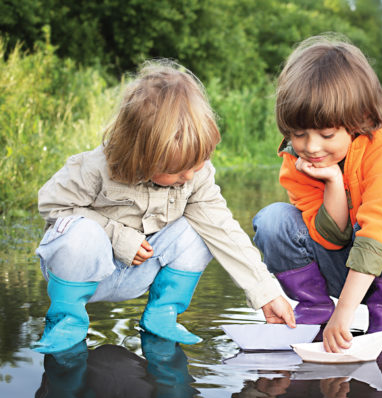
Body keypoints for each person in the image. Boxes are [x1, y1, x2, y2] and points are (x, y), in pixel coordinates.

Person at [34, 59, 295, 354]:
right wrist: (116, 236)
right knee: (79, 234)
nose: (188, 177)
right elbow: (52, 205)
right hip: (82, 275)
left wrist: (265, 292)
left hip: (138, 274)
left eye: (196, 166)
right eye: (177, 170)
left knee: (202, 229)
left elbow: (224, 230)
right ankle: (65, 323)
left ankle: (162, 314)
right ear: (140, 155)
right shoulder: (94, 168)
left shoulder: (194, 175)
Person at [253, 35, 382, 353]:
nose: (311, 147)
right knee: (272, 220)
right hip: (337, 264)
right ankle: (315, 313)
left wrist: (346, 312)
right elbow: (330, 239)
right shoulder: (296, 162)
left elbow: (379, 233)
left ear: (360, 120)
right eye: (299, 134)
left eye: (326, 134)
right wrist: (334, 183)